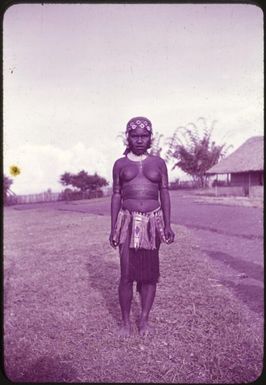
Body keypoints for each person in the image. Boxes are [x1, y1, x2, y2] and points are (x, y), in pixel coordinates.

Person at [109, 116, 175, 337]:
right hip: (127, 221)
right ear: (127, 137)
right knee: (126, 274)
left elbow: (164, 192)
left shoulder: (158, 163)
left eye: (144, 136)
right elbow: (116, 194)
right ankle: (125, 323)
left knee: (149, 274)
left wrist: (167, 224)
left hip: (152, 222)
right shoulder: (120, 164)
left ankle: (144, 321)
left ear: (150, 138)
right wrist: (113, 229)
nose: (139, 140)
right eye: (135, 136)